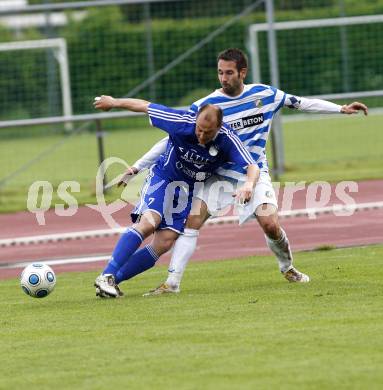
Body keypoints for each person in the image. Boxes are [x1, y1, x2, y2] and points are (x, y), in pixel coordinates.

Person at [119, 48, 368, 296]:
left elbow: (301, 102)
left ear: (242, 72)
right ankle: (172, 283)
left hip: (254, 174)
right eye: (220, 73)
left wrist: (341, 109)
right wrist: (138, 166)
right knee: (191, 220)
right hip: (217, 176)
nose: (223, 78)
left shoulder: (265, 94)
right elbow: (172, 140)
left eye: (229, 73)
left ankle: (287, 267)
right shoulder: (207, 106)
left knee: (270, 224)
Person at [93, 95, 259, 297]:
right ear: (196, 119)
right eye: (199, 129)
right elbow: (145, 106)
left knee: (165, 241)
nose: (201, 135)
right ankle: (106, 275)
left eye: (207, 132)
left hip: (185, 190)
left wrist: (249, 185)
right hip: (163, 178)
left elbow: (252, 165)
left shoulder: (227, 139)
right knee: (149, 222)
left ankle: (112, 282)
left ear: (218, 127)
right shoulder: (181, 121)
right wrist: (114, 102)